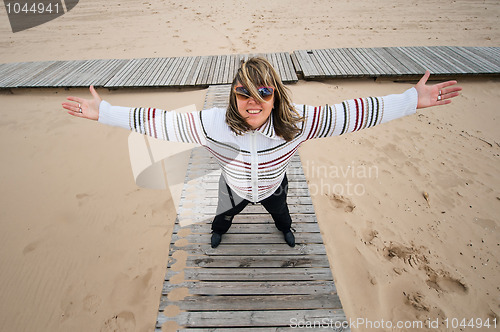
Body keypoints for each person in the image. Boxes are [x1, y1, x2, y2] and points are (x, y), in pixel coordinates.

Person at [62, 57, 461, 248]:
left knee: (282, 214)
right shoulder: (210, 125)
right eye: (244, 93)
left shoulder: (297, 124)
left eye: (264, 92)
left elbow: (353, 113)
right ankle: (220, 230)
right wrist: (106, 113)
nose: (254, 102)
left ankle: (284, 229)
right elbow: (157, 120)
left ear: (276, 95)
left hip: (273, 186)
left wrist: (411, 100)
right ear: (233, 95)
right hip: (233, 186)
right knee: (222, 217)